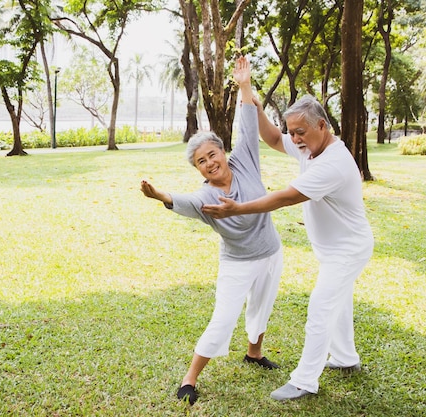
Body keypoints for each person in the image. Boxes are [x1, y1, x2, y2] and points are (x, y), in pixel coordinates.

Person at [201, 84, 374, 401]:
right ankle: (346, 358)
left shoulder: (332, 163)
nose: (294, 139)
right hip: (336, 250)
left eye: (300, 132)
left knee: (321, 308)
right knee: (340, 303)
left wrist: (238, 208)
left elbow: (285, 197)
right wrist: (253, 102)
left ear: (322, 126)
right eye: (292, 131)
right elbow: (272, 138)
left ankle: (305, 381)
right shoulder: (311, 146)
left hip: (348, 250)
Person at [140, 56, 283, 406]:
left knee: (263, 306)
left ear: (222, 150)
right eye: (201, 161)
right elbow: (181, 200)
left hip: (271, 252)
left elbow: (247, 124)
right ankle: (190, 379)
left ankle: (254, 352)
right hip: (237, 263)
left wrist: (245, 86)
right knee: (223, 319)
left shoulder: (245, 159)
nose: (210, 162)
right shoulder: (205, 197)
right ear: (199, 169)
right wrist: (158, 194)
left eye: (212, 153)